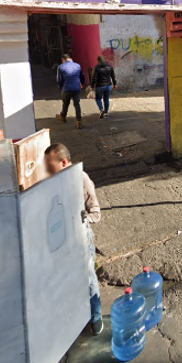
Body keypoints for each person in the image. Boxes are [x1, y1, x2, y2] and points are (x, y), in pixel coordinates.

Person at [44, 143, 104, 336]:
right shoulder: (55, 180)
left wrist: (81, 219)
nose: (47, 171)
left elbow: (96, 213)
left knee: (88, 278)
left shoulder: (82, 179)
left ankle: (96, 318)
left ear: (64, 162)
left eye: (50, 166)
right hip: (64, 239)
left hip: (81, 238)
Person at [56, 53, 85, 129]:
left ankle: (63, 116)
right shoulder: (77, 65)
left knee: (65, 103)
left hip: (67, 88)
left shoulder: (61, 67)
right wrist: (82, 84)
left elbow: (59, 80)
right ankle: (79, 121)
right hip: (76, 87)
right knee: (77, 104)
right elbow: (82, 76)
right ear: (71, 58)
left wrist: (61, 88)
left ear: (63, 59)